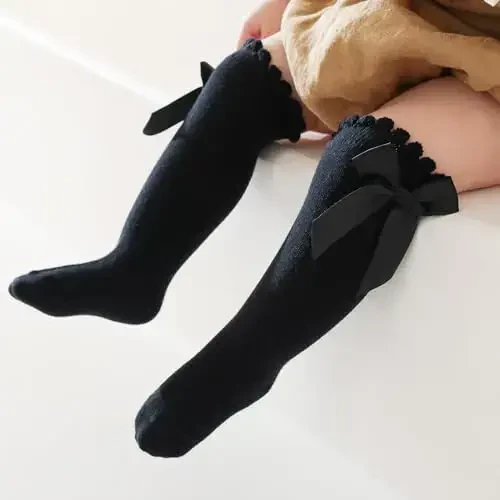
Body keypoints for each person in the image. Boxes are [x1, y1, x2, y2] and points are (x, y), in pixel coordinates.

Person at [8, 0, 500, 458]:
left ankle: (243, 362)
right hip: (407, 18)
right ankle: (133, 269)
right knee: (246, 79)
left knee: (373, 159)